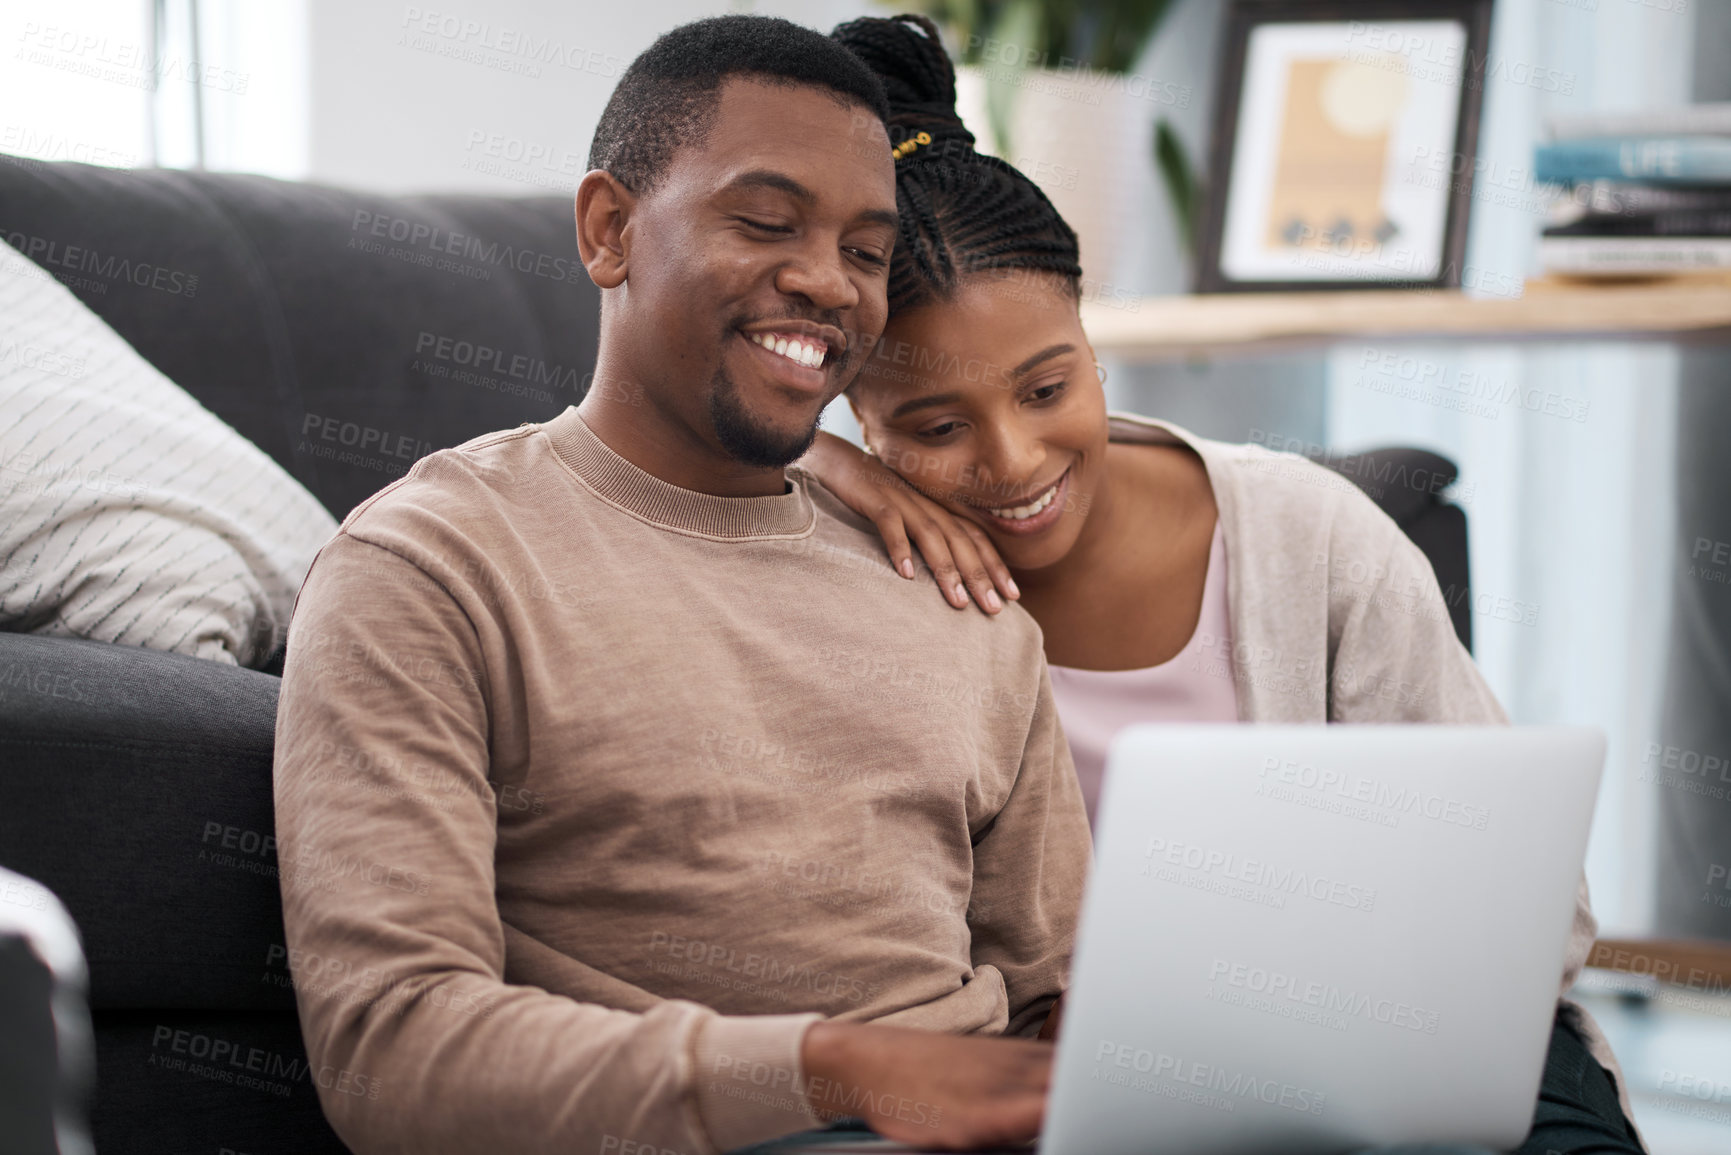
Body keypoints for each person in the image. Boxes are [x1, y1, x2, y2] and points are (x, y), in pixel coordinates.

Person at [799, 14, 1647, 1155]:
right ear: (856, 412)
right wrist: (799, 458)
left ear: (1092, 343)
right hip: (1038, 1068)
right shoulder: (845, 562)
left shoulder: (1305, 532)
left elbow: (1536, 912)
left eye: (1048, 389)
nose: (1011, 462)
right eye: (935, 426)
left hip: (1381, 1037)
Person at [271, 15, 1088, 1155]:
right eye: (765, 224)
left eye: (864, 252)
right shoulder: (430, 570)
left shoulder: (951, 584)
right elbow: (391, 1055)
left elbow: (1062, 998)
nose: (827, 284)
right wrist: (833, 1071)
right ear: (609, 230)